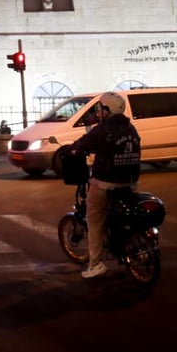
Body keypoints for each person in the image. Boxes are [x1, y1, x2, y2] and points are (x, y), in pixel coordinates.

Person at [69, 91, 141, 279]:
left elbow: (84, 143)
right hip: (130, 183)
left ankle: (96, 264)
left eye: (101, 108)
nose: (99, 112)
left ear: (107, 110)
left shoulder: (103, 129)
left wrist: (74, 149)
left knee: (94, 220)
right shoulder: (131, 128)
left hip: (105, 183)